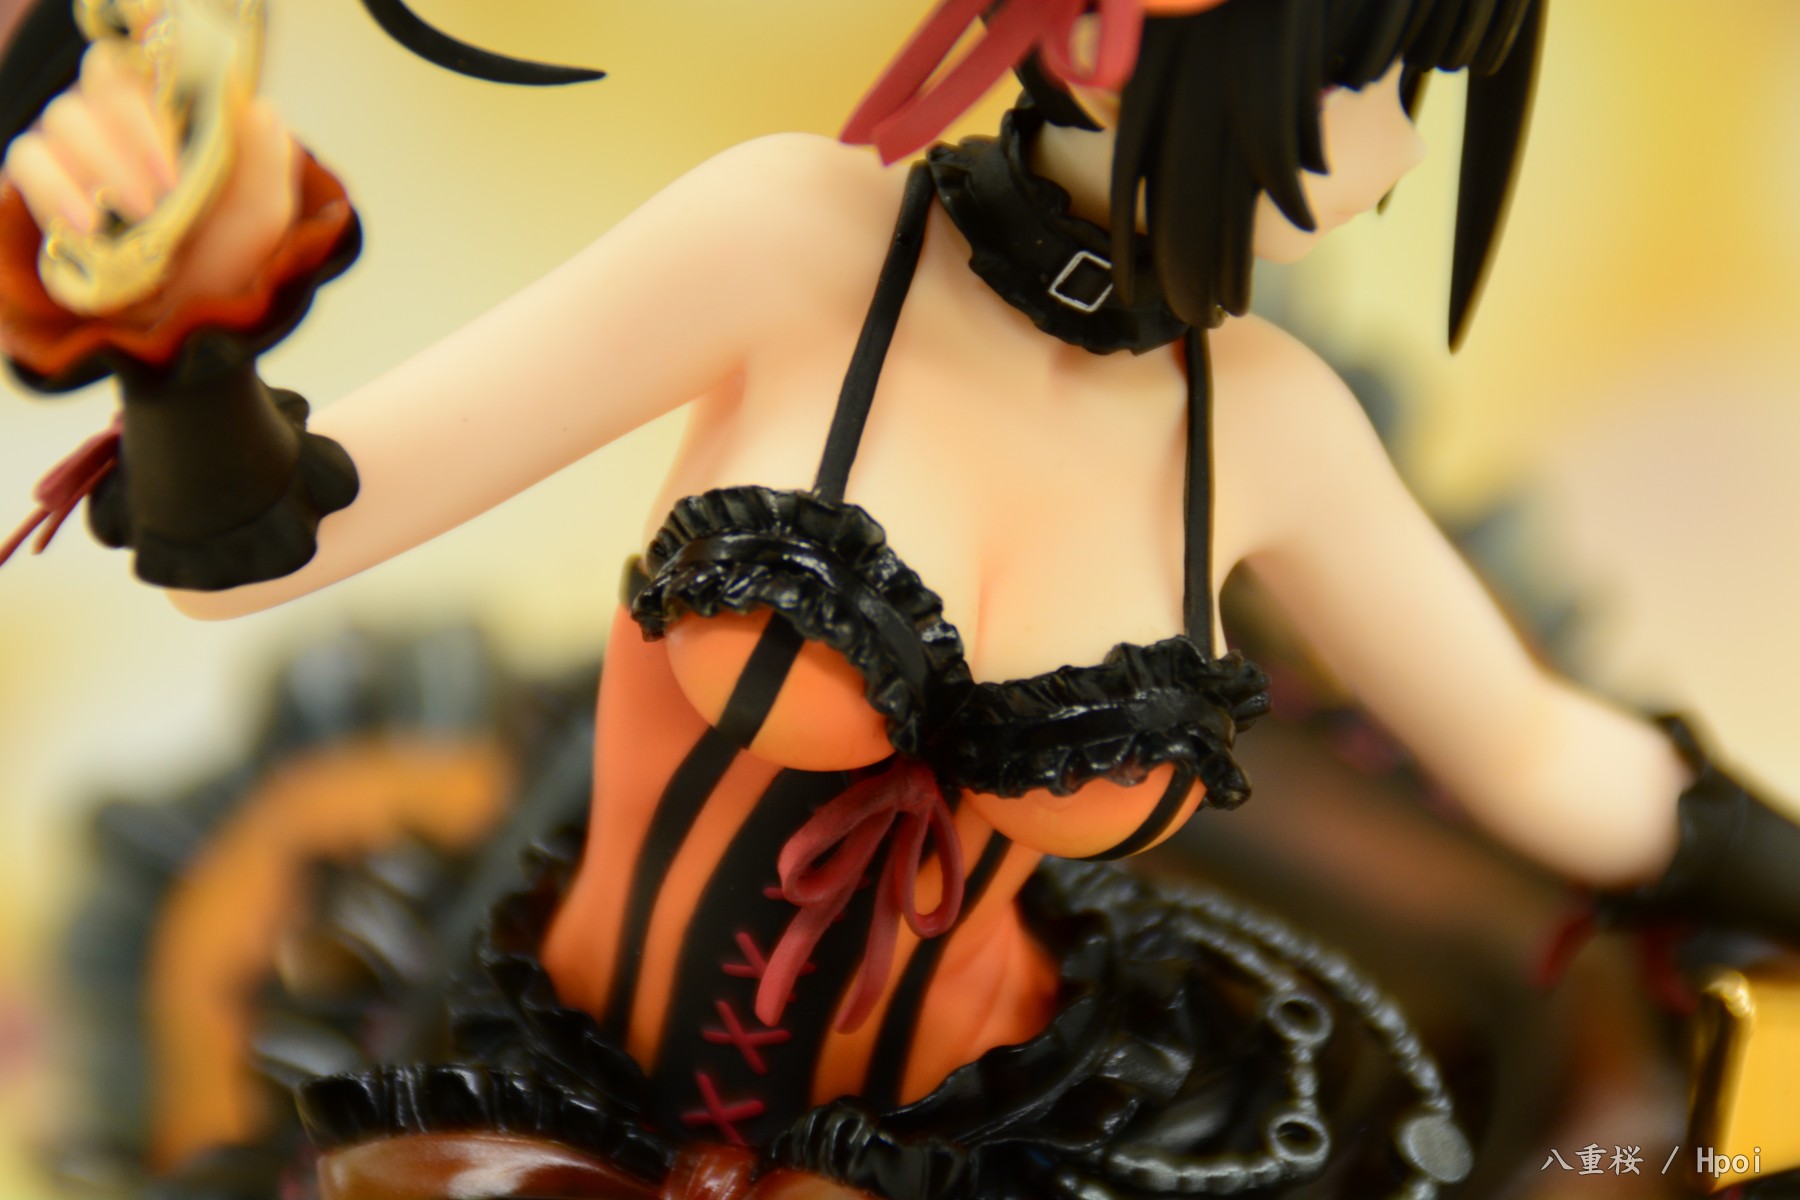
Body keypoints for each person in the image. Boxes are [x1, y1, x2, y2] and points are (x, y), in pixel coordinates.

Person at [5, 0, 1798, 1195]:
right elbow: (275, 544)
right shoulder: (792, 241)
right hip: (553, 1106)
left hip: (1016, 1144)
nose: (1399, 146)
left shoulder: (1269, 425)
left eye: (1417, 85)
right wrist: (182, 330)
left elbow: (1540, 756)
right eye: (1366, 70)